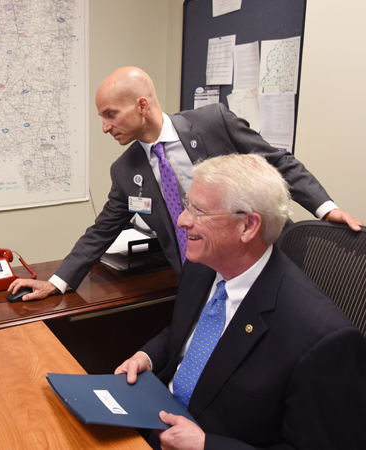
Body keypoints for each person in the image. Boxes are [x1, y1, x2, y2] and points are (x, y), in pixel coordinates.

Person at [8, 66, 363, 301]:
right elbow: (102, 230)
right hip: (198, 282)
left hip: (266, 262)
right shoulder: (125, 169)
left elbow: (276, 160)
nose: (105, 127)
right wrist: (56, 282)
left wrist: (325, 207)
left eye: (110, 115)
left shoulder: (213, 123)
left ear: (142, 105)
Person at [115, 154, 366, 449]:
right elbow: (185, 332)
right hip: (152, 422)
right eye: (187, 205)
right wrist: (147, 357)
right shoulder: (203, 264)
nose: (183, 220)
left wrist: (207, 445)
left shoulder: (322, 341)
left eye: (199, 211)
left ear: (248, 226)